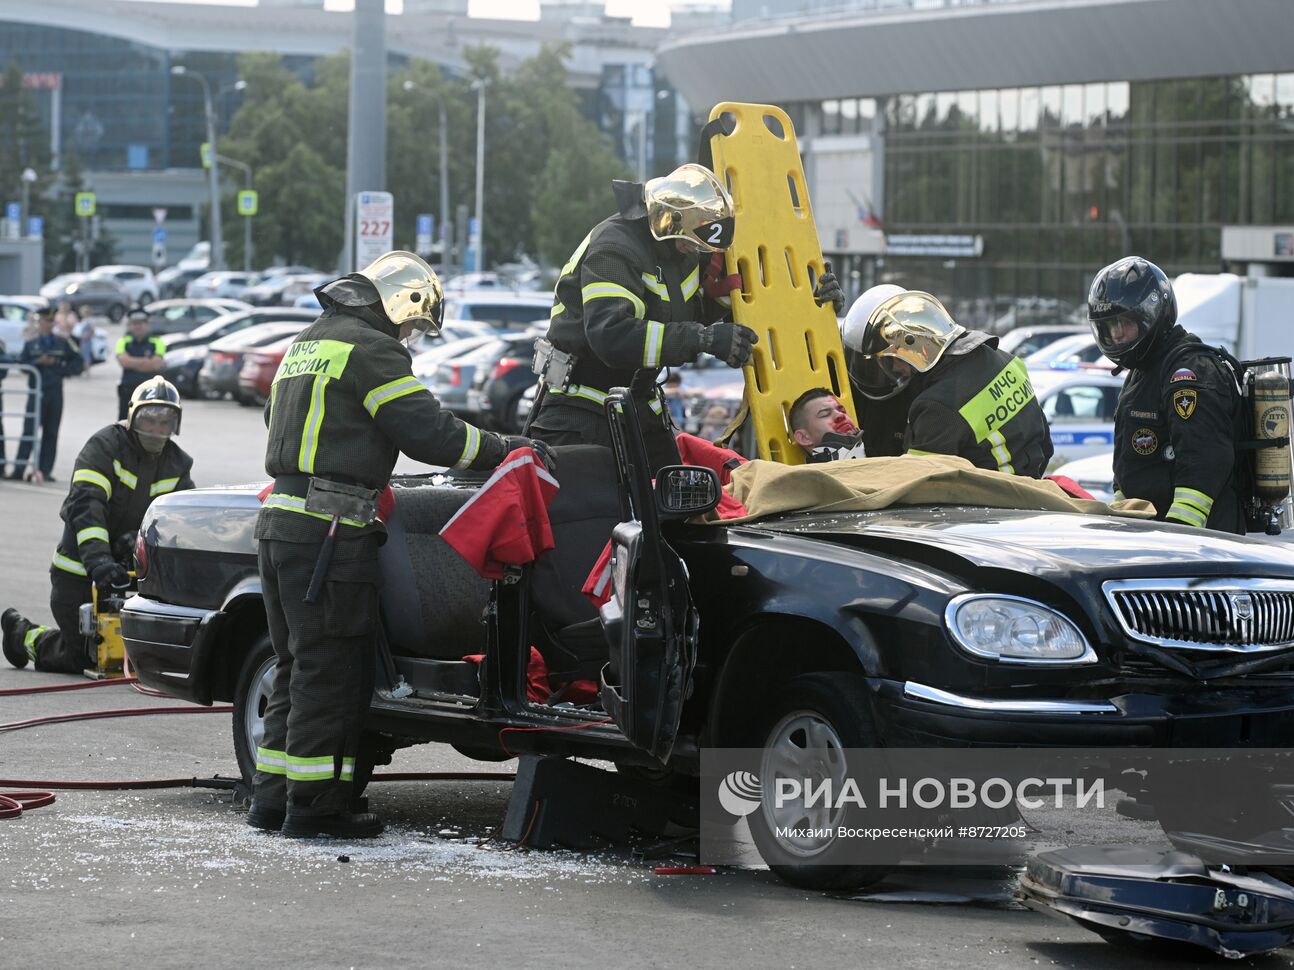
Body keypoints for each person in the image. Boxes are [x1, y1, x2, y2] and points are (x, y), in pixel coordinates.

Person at [252, 250, 553, 841]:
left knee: (296, 665)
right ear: (396, 303)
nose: (410, 336)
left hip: (281, 523)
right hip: (331, 532)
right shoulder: (371, 349)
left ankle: (273, 797)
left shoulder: (308, 343)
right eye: (413, 324)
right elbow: (428, 433)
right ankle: (315, 808)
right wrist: (503, 446)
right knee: (331, 671)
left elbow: (285, 423)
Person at [527, 162, 845, 473]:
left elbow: (691, 312)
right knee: (583, 517)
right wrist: (703, 339)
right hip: (580, 411)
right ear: (670, 219)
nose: (696, 251)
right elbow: (612, 337)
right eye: (693, 241)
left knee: (676, 509)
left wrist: (812, 301)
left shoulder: (677, 253)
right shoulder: (614, 248)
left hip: (638, 408)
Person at [3, 376, 194, 674]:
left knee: (125, 654)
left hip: (131, 573)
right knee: (85, 657)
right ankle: (22, 635)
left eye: (165, 422)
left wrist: (139, 540)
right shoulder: (105, 447)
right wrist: (100, 560)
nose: (157, 429)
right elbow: (85, 505)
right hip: (78, 570)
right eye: (149, 420)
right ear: (133, 416)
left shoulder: (178, 464)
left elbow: (179, 521)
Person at [1088, 256, 1244, 533]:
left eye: (1125, 323)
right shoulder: (1143, 370)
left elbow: (1205, 462)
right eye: (1110, 327)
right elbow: (1134, 466)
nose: (1117, 335)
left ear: (1152, 314)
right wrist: (1122, 518)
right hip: (1153, 538)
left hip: (1198, 547)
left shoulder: (1188, 373)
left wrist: (1179, 534)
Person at [842, 285, 1053, 477]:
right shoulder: (1006, 360)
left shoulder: (938, 407)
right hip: (1027, 493)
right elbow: (1045, 444)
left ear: (912, 344)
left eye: (890, 362)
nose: (893, 370)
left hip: (982, 510)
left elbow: (911, 485)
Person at [11, 304, 83, 484]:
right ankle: (19, 469)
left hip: (55, 392)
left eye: (51, 321)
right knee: (29, 431)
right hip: (36, 393)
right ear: (39, 322)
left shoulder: (62, 342)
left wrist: (60, 370)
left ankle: (45, 470)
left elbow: (78, 363)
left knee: (51, 432)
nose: (47, 324)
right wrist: (38, 361)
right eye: (45, 321)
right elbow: (22, 365)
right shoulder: (31, 344)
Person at [788, 387, 865, 462]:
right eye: (825, 414)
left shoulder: (875, 453)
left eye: (842, 411)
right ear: (804, 438)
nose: (840, 415)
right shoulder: (809, 475)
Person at [115, 309, 167, 419]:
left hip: (150, 393)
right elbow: (124, 362)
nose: (137, 326)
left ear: (147, 324)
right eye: (134, 323)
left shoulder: (157, 342)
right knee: (124, 424)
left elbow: (156, 364)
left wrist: (133, 362)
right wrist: (145, 361)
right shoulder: (123, 341)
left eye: (140, 323)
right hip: (128, 392)